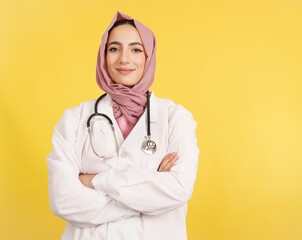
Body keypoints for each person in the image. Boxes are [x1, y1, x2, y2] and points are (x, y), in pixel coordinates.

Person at [46, 11, 199, 240]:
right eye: (114, 49)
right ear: (103, 56)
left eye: (136, 49)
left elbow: (178, 189)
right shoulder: (75, 119)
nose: (124, 59)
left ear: (148, 56)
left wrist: (95, 181)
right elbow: (62, 200)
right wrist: (148, 192)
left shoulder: (175, 118)